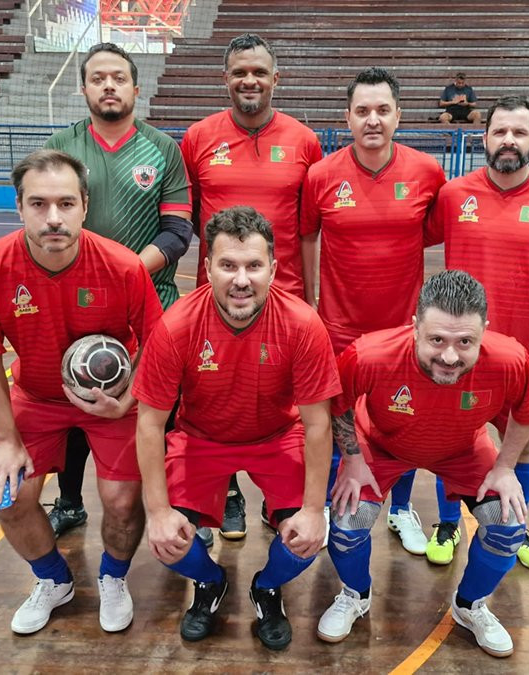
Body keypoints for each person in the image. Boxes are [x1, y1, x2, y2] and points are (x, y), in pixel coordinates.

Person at [0, 149, 163, 634]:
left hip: (112, 403)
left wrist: (130, 399)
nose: (53, 217)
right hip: (35, 397)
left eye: (66, 203)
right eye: (39, 204)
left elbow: (158, 343)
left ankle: (114, 577)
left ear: (84, 206)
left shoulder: (121, 266)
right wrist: (7, 439)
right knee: (9, 498)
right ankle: (54, 581)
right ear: (19, 206)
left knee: (120, 501)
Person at [133, 206, 339, 650]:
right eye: (227, 265)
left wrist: (312, 509)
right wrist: (157, 512)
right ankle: (210, 580)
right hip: (201, 438)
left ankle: (266, 587)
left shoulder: (303, 324)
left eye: (253, 266)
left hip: (277, 436)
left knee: (306, 540)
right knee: (168, 541)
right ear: (206, 268)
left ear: (273, 268)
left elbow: (319, 424)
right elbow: (149, 423)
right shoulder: (175, 327)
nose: (240, 279)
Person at [317, 270, 529, 657]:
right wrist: (353, 460)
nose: (450, 356)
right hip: (383, 446)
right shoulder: (370, 354)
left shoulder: (511, 360)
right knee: (345, 521)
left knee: (507, 527)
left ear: (484, 331)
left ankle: (470, 605)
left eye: (465, 342)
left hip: (462, 448)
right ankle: (355, 595)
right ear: (414, 328)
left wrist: (506, 465)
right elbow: (336, 405)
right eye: (437, 340)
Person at [425, 95, 529, 570]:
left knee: (524, 442)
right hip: (456, 354)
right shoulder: (453, 195)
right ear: (484, 137)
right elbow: (403, 240)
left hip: (524, 356)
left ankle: (513, 524)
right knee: (450, 441)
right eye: (500, 131)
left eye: (519, 133)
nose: (508, 141)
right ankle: (447, 523)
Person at [44, 42, 193, 540]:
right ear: (83, 88)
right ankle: (68, 501)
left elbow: (176, 233)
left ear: (136, 87)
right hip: (74, 302)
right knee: (77, 400)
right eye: (97, 78)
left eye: (118, 77)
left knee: (162, 408)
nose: (108, 85)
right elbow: (49, 223)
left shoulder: (163, 149)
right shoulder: (61, 147)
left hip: (152, 300)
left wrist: (123, 271)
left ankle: (175, 506)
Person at [180, 33, 323, 540]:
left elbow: (308, 229)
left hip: (282, 303)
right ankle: (229, 495)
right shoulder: (197, 138)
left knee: (276, 404)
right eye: (240, 71)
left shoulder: (304, 140)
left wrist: (312, 297)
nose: (249, 80)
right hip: (217, 302)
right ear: (225, 78)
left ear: (275, 79)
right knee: (215, 398)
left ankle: (278, 499)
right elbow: (191, 219)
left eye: (259, 72)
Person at [300, 66, 447, 557]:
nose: (372, 120)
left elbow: (431, 234)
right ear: (347, 117)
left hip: (402, 332)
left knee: (399, 421)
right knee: (331, 421)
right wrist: (311, 306)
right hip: (338, 329)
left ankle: (401, 509)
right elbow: (306, 236)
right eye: (362, 110)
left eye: (383, 110)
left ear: (398, 116)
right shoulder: (321, 175)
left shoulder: (427, 173)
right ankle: (322, 503)